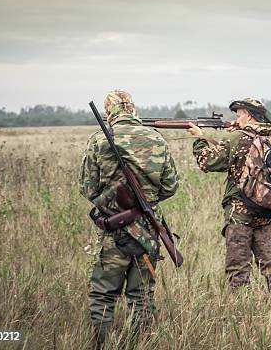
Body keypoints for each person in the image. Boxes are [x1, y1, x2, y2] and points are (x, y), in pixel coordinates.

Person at [80, 90, 179, 347]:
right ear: (133, 109)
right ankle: (141, 344)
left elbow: (88, 189)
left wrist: (113, 200)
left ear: (108, 112)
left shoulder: (99, 140)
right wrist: (145, 200)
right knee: (142, 295)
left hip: (114, 230)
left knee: (103, 294)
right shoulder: (156, 139)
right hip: (148, 230)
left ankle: (102, 344)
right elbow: (170, 187)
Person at [187, 98, 271, 290]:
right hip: (267, 210)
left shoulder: (237, 138)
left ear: (248, 115)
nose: (237, 118)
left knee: (238, 269)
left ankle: (240, 310)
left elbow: (208, 162)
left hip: (240, 212)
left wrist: (199, 138)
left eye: (239, 114)